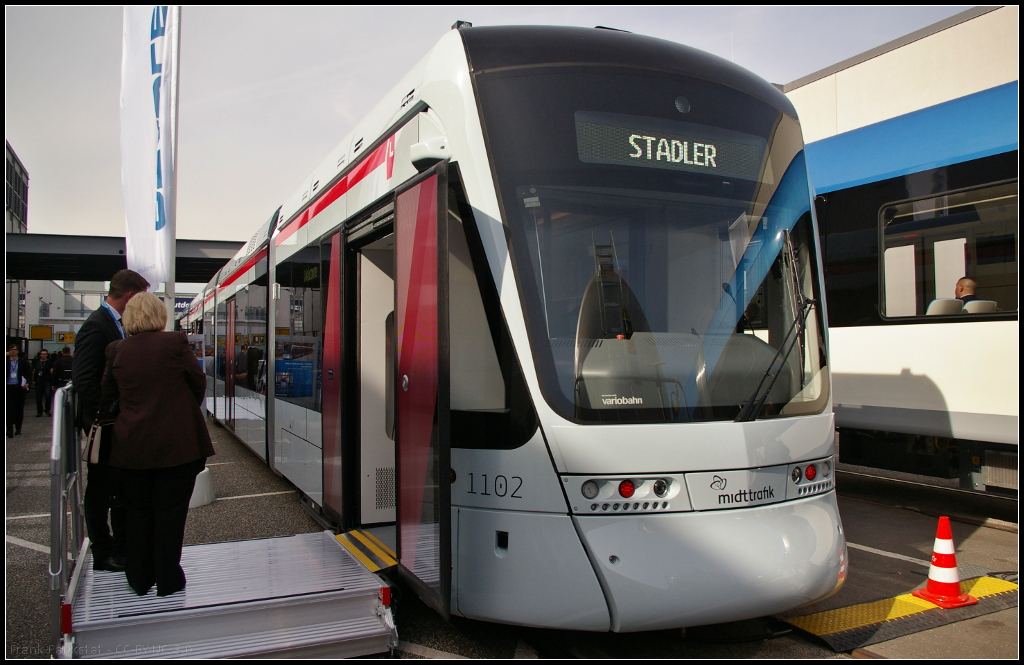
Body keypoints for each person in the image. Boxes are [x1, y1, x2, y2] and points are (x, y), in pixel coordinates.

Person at [101, 292, 215, 596]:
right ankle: (168, 579)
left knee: (137, 512)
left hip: (131, 448)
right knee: (170, 513)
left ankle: (138, 577)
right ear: (159, 316)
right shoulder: (175, 343)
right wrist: (179, 410)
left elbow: (108, 396)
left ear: (128, 317)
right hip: (177, 446)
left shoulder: (115, 350)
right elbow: (198, 382)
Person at [73, 269, 151, 573]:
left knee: (116, 488)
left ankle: (120, 547)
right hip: (105, 426)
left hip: (114, 426)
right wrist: (108, 416)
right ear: (130, 296)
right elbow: (84, 381)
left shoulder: (113, 324)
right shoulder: (97, 326)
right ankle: (103, 552)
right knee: (101, 490)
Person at [6, 344, 32, 437]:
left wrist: (28, 383)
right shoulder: (6, 362)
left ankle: (18, 428)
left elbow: (29, 374)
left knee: (19, 408)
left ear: (17, 351)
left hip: (19, 387)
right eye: (11, 350)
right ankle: (9, 429)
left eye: (15, 350)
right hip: (8, 387)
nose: (13, 351)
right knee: (9, 409)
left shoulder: (23, 362)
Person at [32, 349, 52, 416]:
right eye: (42, 354)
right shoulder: (36, 362)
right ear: (40, 355)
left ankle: (47, 409)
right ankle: (39, 411)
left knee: (48, 396)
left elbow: (51, 371)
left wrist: (52, 381)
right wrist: (33, 380)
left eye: (45, 354)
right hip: (38, 381)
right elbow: (34, 371)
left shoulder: (50, 362)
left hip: (47, 380)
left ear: (47, 355)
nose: (43, 355)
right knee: (38, 397)